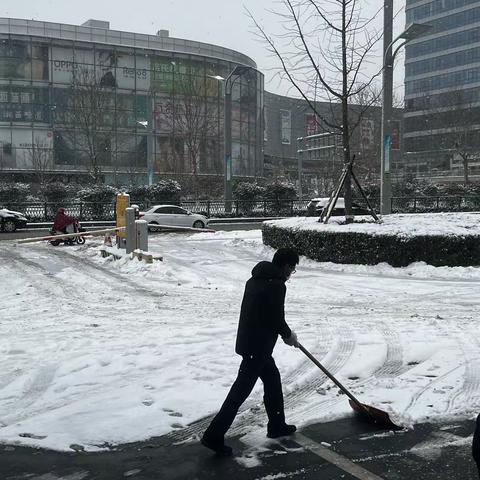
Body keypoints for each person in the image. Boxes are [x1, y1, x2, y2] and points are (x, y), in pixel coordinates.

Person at [201, 247, 300, 457]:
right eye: (292, 269)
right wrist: (288, 335)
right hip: (259, 347)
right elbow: (276, 318)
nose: (291, 274)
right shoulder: (277, 285)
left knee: (272, 379)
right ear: (285, 266)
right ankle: (213, 435)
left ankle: (276, 424)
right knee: (240, 392)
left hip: (250, 342)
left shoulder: (255, 279)